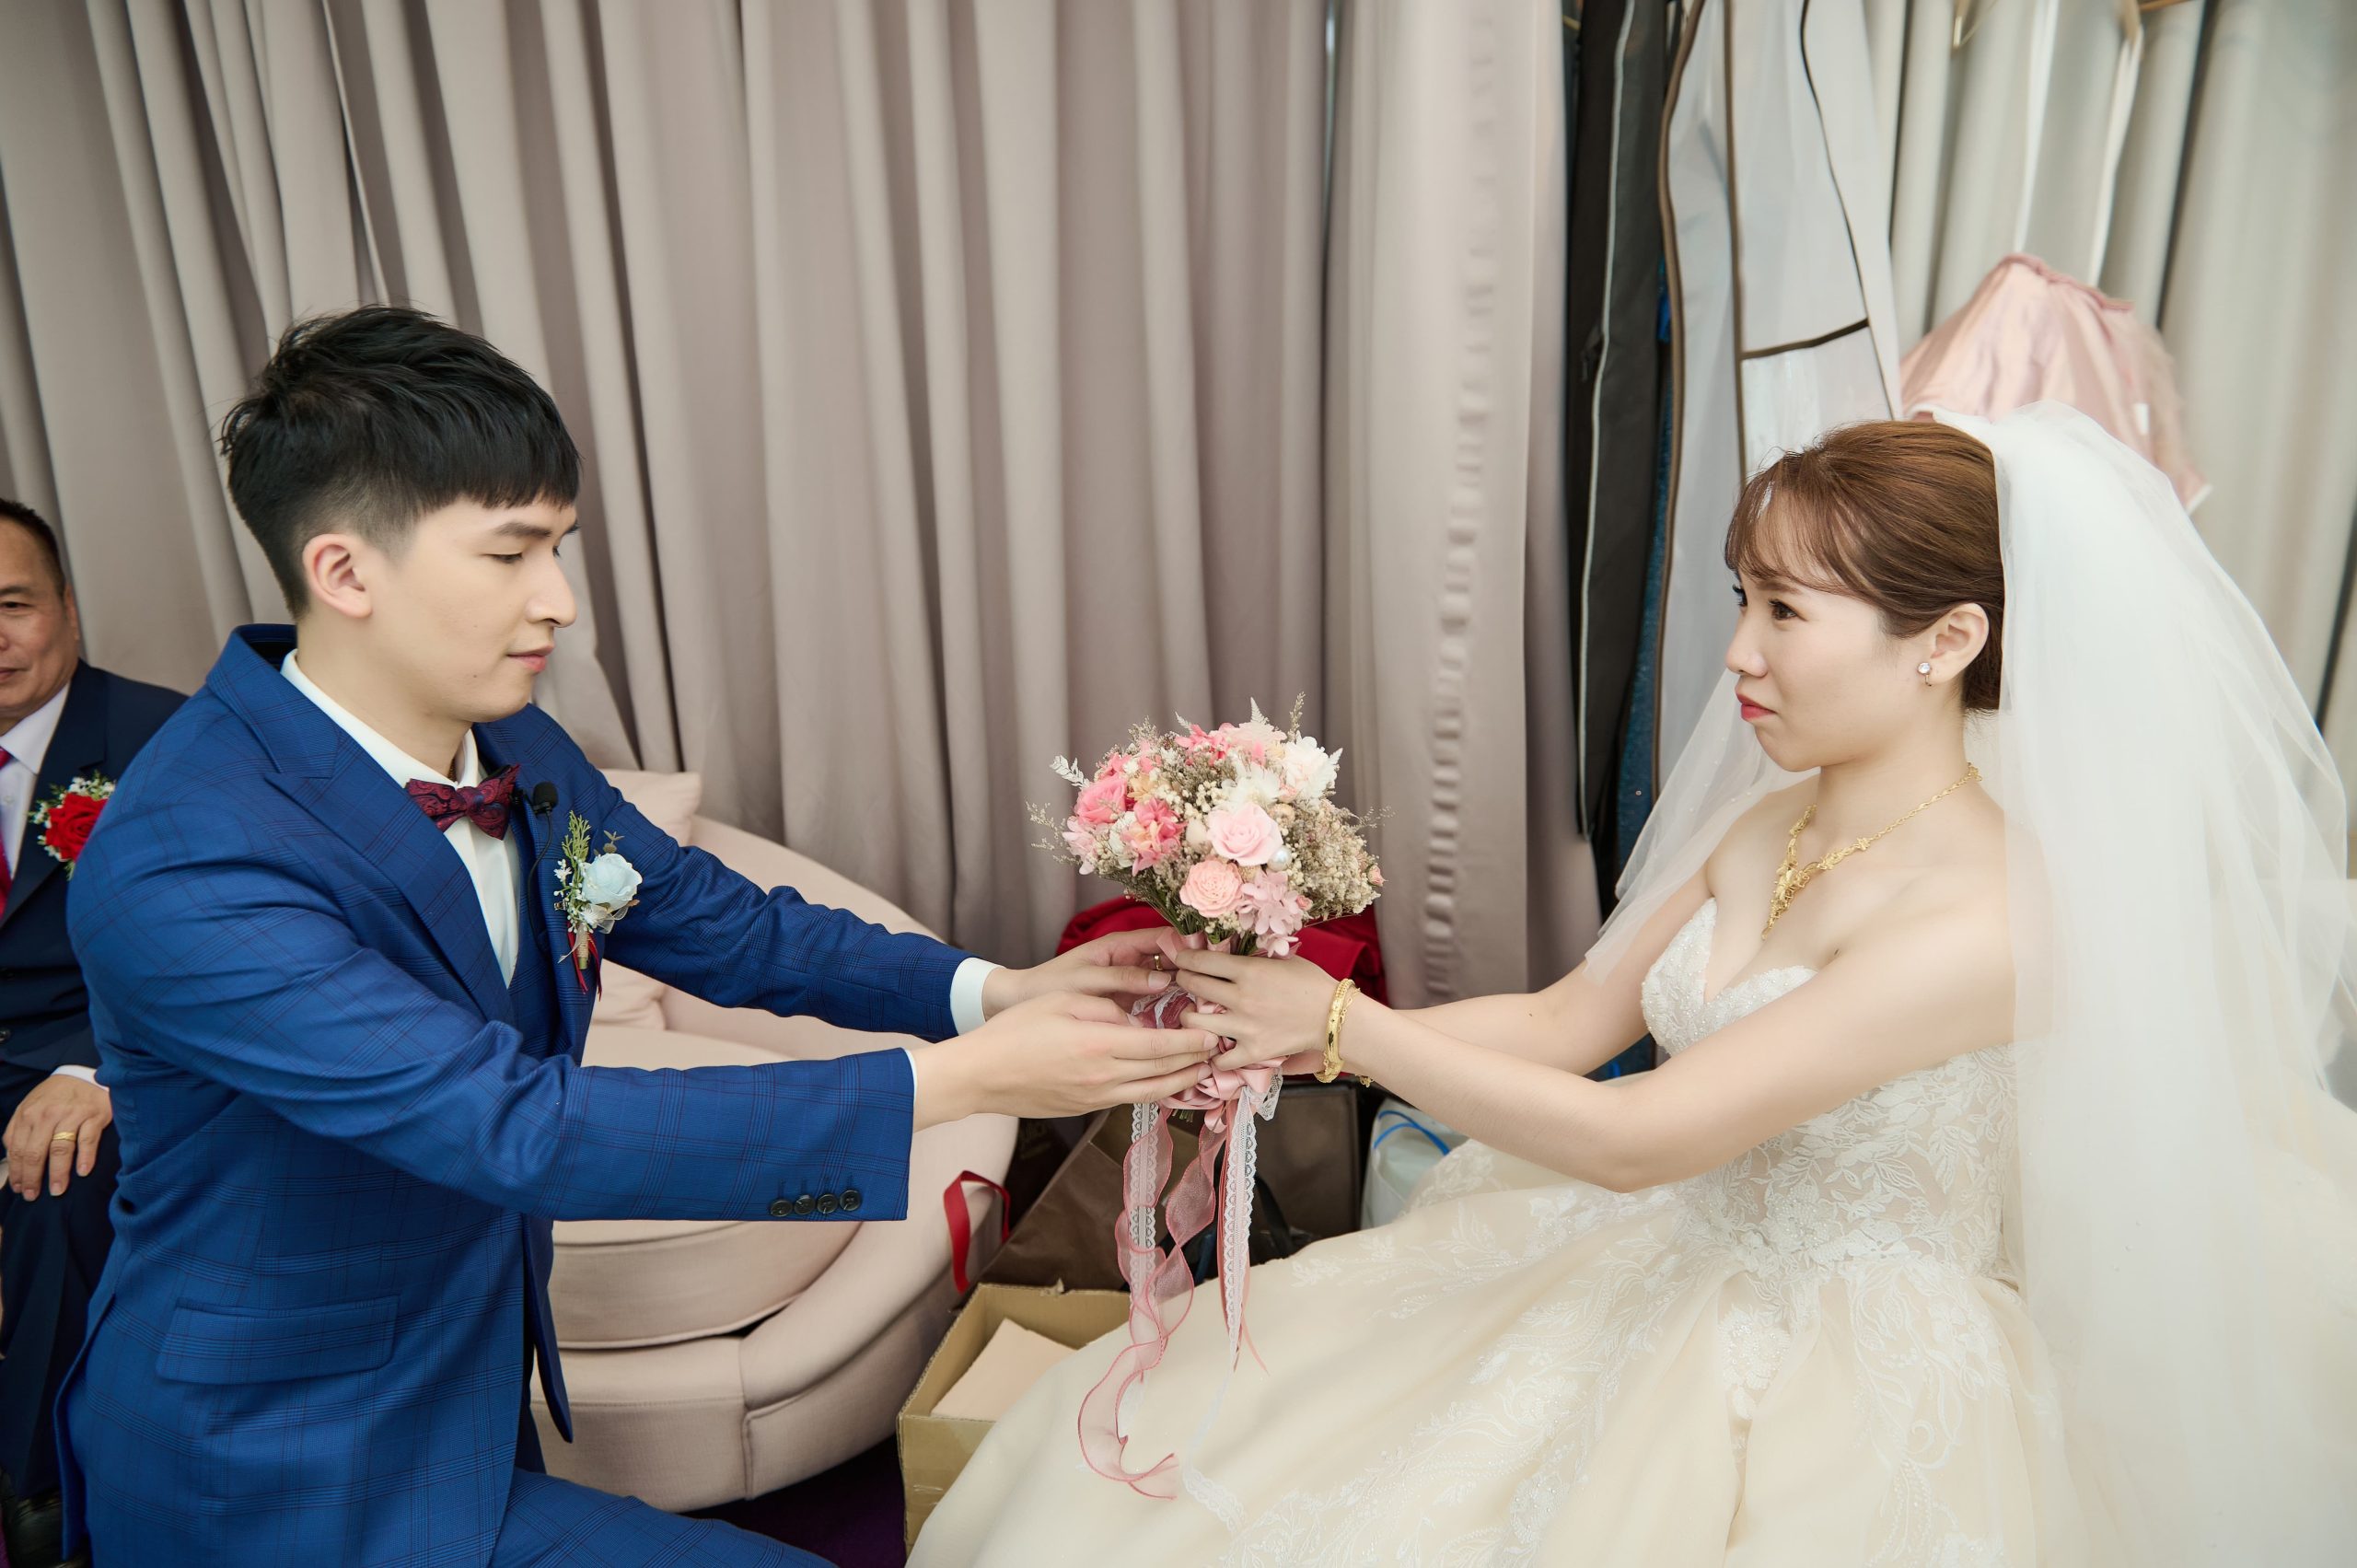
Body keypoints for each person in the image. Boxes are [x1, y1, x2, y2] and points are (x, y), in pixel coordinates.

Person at [912, 407, 2357, 1566]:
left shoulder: (1988, 919)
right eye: (1742, 598)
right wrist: (1281, 1035)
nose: (1737, 653)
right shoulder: (1770, 821)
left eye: (1787, 609)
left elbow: (1644, 1132)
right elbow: (1566, 1021)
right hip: (1670, 1254)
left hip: (1844, 1362)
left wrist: (1347, 1023)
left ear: (1947, 641)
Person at [54, 306, 1219, 1567]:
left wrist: (994, 990)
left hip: (459, 1400)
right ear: (345, 572)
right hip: (265, 1468)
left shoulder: (509, 739)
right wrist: (965, 1081)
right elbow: (513, 1123)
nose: (558, 600)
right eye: (510, 552)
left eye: (558, 546)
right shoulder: (186, 852)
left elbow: (713, 918)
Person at [0, 499, 180, 1568]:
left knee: (56, 1176)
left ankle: (43, 1492)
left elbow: (210, 945)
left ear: (68, 608)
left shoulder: (165, 739)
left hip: (101, 1045)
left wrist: (96, 1065)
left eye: (11, 605)